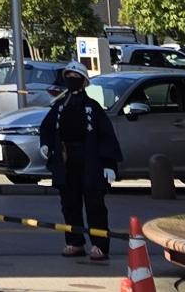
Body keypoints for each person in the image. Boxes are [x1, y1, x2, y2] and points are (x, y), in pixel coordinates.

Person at [37, 66, 122, 262]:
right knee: (69, 204)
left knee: (95, 205)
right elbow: (47, 128)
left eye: (76, 77)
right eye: (69, 77)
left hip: (90, 160)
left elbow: (106, 135)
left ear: (84, 81)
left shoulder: (93, 107)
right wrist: (46, 145)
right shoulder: (59, 106)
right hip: (66, 161)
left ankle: (100, 245)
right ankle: (75, 242)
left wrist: (109, 164)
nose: (72, 80)